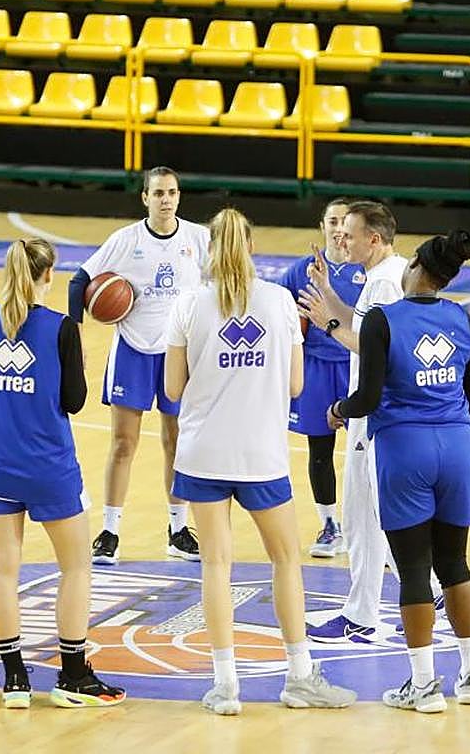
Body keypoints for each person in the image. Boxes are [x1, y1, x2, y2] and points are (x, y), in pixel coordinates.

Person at [164, 208, 356, 715]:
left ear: (210, 248)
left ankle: (225, 685)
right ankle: (298, 677)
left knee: (216, 566)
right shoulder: (277, 301)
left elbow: (171, 389)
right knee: (286, 561)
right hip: (261, 455)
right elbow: (296, 385)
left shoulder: (188, 303)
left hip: (204, 452)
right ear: (252, 246)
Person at [0, 238, 126, 709]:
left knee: (4, 569)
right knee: (76, 566)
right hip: (49, 467)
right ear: (48, 275)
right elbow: (73, 401)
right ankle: (73, 675)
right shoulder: (61, 328)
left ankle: (15, 680)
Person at [327, 230, 470, 712]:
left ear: (414, 265)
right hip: (457, 448)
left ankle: (423, 686)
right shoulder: (462, 318)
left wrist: (339, 408)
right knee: (455, 564)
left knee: (415, 568)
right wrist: (451, 432)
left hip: (404, 448)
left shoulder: (383, 319)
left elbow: (369, 396)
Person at [67, 166, 210, 565]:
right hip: (133, 349)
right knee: (123, 443)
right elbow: (78, 282)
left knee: (176, 441)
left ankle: (178, 530)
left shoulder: (199, 238)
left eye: (172, 192)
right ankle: (110, 531)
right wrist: (75, 337)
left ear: (179, 197)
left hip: (177, 354)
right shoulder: (125, 240)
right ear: (145, 198)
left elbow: (222, 282)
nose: (166, 199)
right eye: (158, 193)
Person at [297, 201, 412, 644]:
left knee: (368, 514)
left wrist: (325, 324)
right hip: (381, 410)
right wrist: (328, 296)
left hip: (377, 410)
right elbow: (361, 325)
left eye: (349, 233)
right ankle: (414, 598)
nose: (340, 240)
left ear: (374, 239)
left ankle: (376, 610)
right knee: (370, 513)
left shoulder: (385, 284)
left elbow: (371, 348)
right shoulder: (385, 274)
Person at [276, 198, 364, 557]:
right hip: (315, 367)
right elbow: (278, 315)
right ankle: (330, 525)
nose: (339, 228)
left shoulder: (367, 270)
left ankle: (375, 528)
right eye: (332, 220)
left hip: (357, 365)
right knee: (320, 450)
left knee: (369, 452)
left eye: (345, 221)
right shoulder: (300, 271)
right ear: (322, 226)